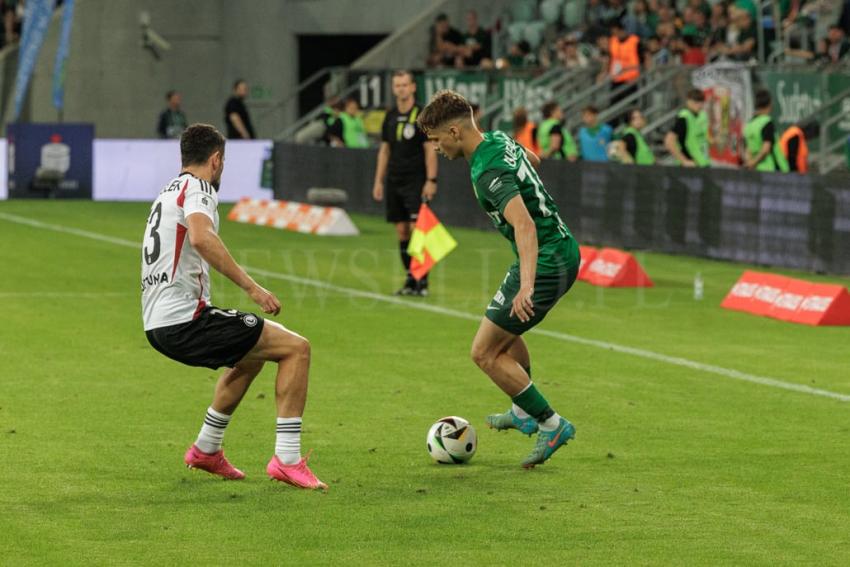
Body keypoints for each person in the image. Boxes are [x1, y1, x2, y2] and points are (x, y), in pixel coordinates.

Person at [140, 124, 326, 490]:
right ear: (216, 159)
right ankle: (287, 459)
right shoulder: (199, 187)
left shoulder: (167, 192)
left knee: (251, 354)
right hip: (184, 320)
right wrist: (252, 288)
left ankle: (207, 449)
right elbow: (201, 236)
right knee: (296, 349)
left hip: (157, 323)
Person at [417, 90, 579, 468]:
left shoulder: (487, 169)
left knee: (484, 352)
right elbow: (532, 160)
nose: (437, 149)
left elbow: (523, 224)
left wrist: (527, 284)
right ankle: (522, 411)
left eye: (437, 140)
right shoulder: (498, 139)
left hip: (548, 259)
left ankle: (550, 424)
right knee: (502, 330)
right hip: (558, 249)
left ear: (455, 132)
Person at [372, 70, 439, 296]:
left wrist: (431, 180)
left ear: (412, 87)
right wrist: (378, 181)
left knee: (418, 230)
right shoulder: (390, 116)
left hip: (416, 180)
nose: (400, 89)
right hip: (394, 179)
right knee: (402, 231)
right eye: (397, 85)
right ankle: (411, 279)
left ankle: (423, 282)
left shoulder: (422, 115)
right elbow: (384, 150)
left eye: (404, 85)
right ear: (393, 89)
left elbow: (429, 149)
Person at [743, 89, 790, 172]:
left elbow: (747, 150)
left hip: (755, 171)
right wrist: (753, 163)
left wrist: (750, 164)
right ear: (769, 104)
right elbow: (766, 148)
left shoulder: (749, 125)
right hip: (772, 170)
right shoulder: (767, 122)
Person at [665, 89, 710, 167]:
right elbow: (669, 141)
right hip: (690, 167)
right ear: (688, 102)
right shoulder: (684, 118)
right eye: (696, 102)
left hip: (702, 163)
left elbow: (700, 140)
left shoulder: (701, 116)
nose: (699, 105)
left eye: (701, 102)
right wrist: (684, 161)